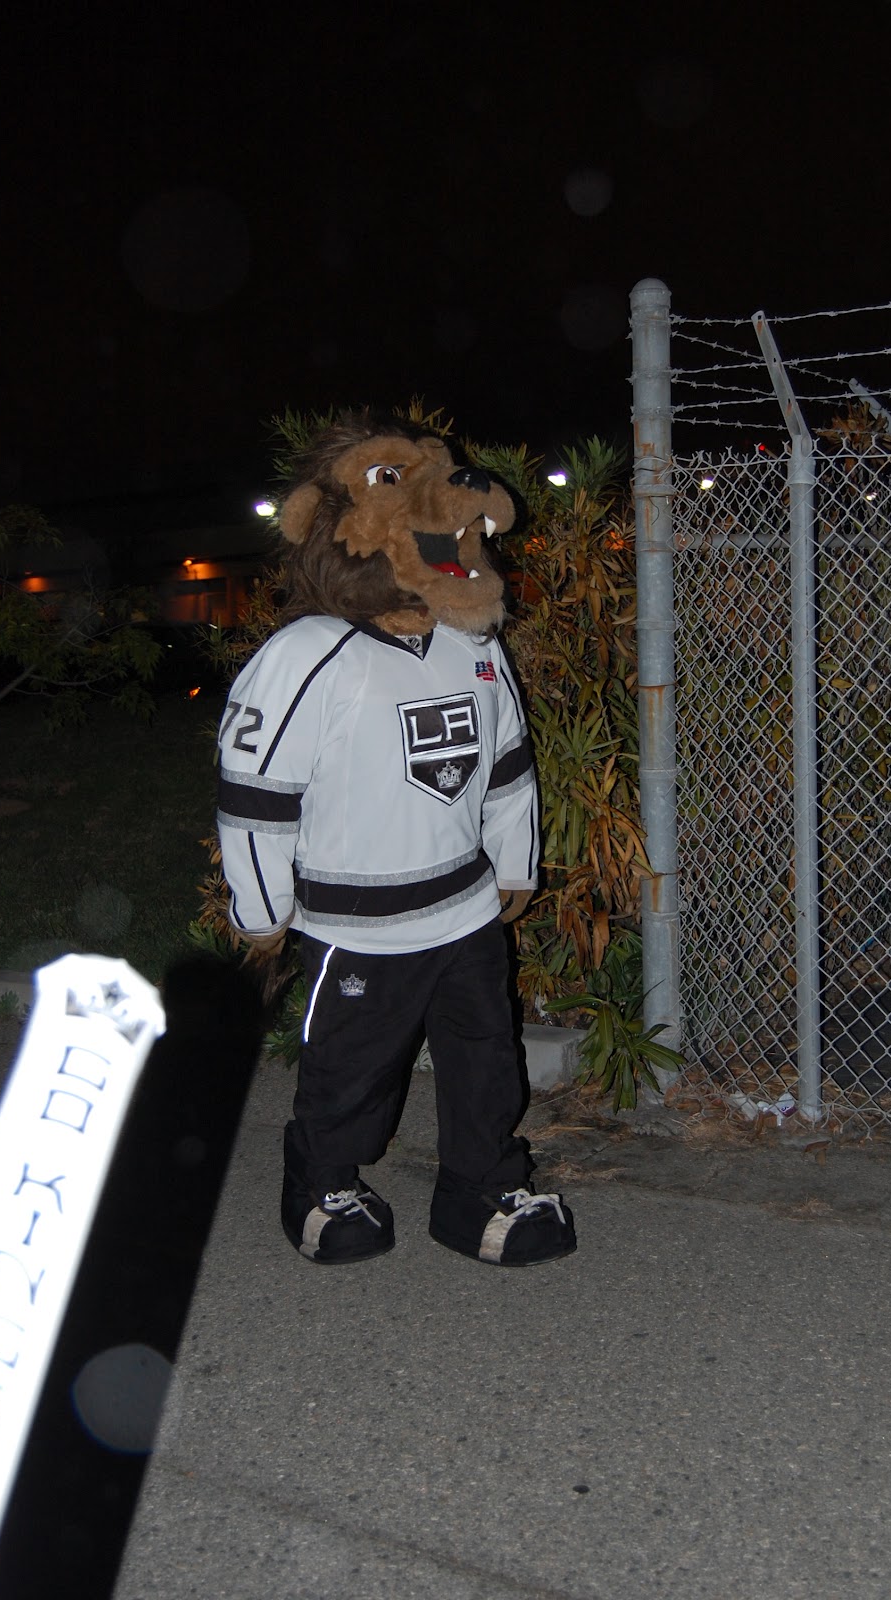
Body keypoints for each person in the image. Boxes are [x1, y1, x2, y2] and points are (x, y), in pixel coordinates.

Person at [217, 412, 576, 1268]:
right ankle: (320, 1179)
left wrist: (514, 859)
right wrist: (261, 907)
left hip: (464, 913)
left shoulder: (470, 641)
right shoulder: (307, 653)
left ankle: (479, 1190)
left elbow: (506, 761)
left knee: (486, 1062)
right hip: (357, 927)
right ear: (327, 519)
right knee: (350, 1071)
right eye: (391, 479)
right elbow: (255, 795)